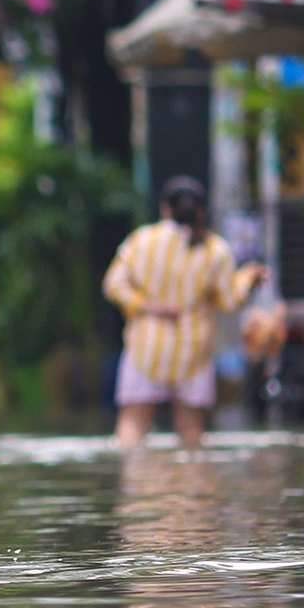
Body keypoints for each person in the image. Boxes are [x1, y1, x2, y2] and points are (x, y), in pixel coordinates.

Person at [102, 176, 268, 448]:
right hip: (192, 353)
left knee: (131, 428)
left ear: (165, 209)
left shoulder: (142, 240)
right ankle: (191, 488)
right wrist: (248, 279)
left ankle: (135, 488)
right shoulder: (217, 250)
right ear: (202, 210)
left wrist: (147, 306)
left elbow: (113, 285)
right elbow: (228, 302)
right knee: (191, 433)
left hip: (146, 350)